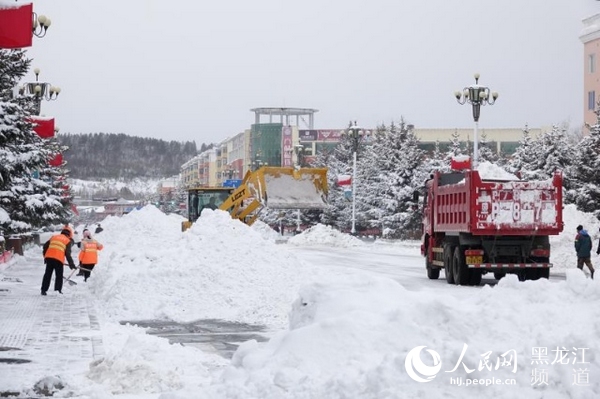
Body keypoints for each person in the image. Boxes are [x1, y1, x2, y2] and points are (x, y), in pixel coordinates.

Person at [41, 228, 76, 295]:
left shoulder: (54, 237)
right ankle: (57, 290)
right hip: (58, 259)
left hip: (49, 258)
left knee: (47, 274)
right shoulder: (67, 240)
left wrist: (45, 256)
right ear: (68, 235)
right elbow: (68, 254)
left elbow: (45, 246)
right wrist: (71, 265)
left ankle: (43, 290)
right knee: (59, 275)